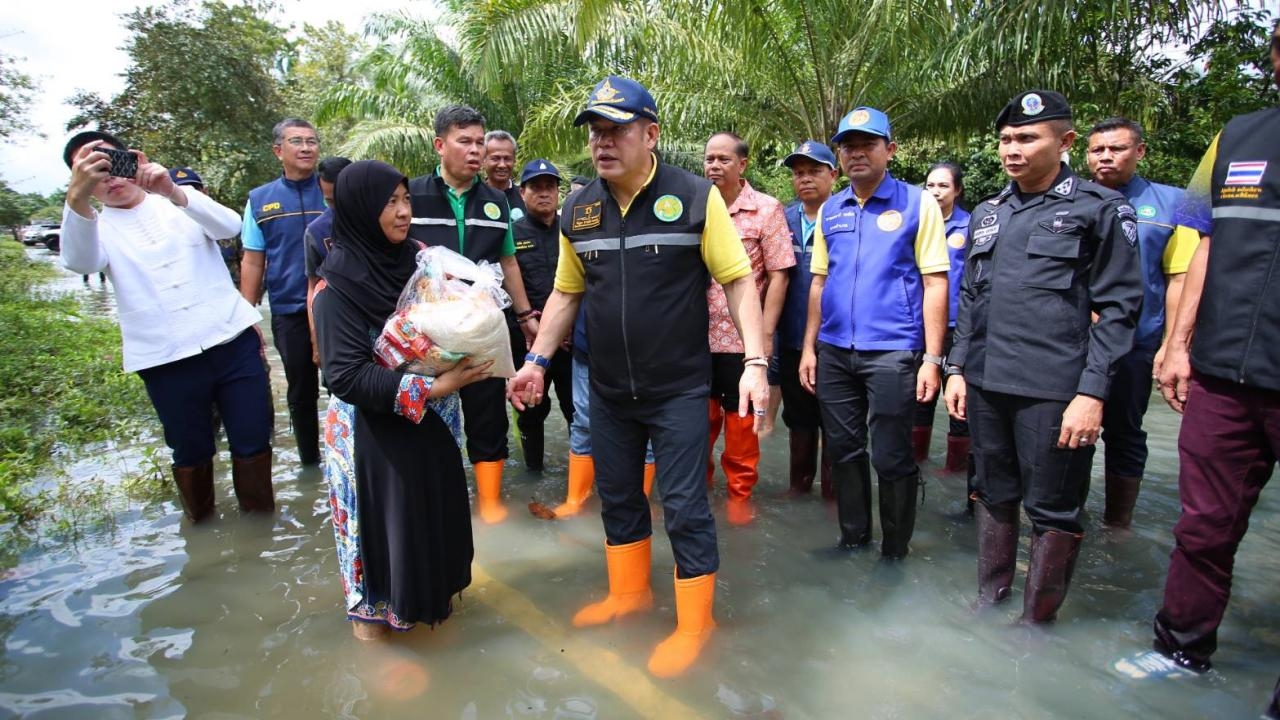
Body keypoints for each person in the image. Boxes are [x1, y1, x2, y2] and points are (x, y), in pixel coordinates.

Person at [508, 75, 767, 677]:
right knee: (619, 496)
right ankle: (628, 593)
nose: (603, 142)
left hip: (677, 387)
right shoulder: (579, 207)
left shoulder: (697, 197)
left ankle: (695, 623)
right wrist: (537, 362)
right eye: (596, 131)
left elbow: (737, 280)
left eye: (616, 129)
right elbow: (567, 294)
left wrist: (755, 362)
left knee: (682, 504)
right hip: (608, 388)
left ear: (650, 133)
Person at [944, 90, 1142, 622]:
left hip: (1056, 388)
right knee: (991, 492)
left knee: (1053, 508)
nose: (1012, 149)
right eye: (1006, 139)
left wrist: (1092, 393)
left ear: (1066, 142)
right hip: (986, 381)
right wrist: (957, 368)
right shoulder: (988, 213)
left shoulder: (1100, 209)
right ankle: (989, 602)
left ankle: (1036, 623)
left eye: (1027, 137)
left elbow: (1120, 309)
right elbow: (971, 298)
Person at [1147, 25, 1280, 706]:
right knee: (1203, 525)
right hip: (1225, 373)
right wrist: (1177, 343)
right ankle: (1180, 650)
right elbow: (1201, 240)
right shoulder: (1236, 136)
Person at [313, 159, 493, 639]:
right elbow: (345, 376)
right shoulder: (338, 287)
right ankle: (374, 639)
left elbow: (447, 321)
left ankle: (431, 613)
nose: (402, 212)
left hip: (434, 422)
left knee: (430, 522)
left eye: (406, 199)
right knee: (380, 539)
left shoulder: (421, 265)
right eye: (388, 203)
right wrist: (434, 387)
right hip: (373, 437)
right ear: (358, 209)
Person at [61, 130, 274, 522]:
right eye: (91, 171)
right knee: (190, 450)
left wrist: (172, 190)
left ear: (132, 160)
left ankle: (261, 528)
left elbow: (229, 226)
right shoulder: (91, 225)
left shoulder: (175, 201)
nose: (108, 177)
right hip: (166, 359)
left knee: (253, 439)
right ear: (81, 182)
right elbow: (80, 262)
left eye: (111, 163)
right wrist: (76, 200)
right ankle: (201, 527)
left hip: (231, 341)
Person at [798, 107, 949, 560]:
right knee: (843, 449)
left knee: (890, 454)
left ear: (890, 149)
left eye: (867, 144)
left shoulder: (917, 203)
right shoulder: (832, 208)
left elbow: (935, 282)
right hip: (835, 352)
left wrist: (932, 358)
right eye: (848, 145)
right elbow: (819, 281)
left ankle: (895, 550)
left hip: (894, 352)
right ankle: (853, 538)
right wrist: (809, 348)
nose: (856, 153)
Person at [408, 105, 539, 524]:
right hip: (427, 330)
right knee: (428, 411)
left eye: (480, 142)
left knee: (487, 412)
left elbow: (510, 263)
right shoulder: (411, 196)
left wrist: (525, 317)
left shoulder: (497, 201)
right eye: (465, 141)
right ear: (440, 144)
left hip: (484, 326)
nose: (475, 151)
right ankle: (436, 498)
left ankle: (489, 505)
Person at [1084, 118, 1199, 528]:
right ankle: (1063, 521)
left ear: (1140, 151)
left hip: (1135, 340)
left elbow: (1180, 277)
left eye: (1116, 149)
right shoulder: (1070, 199)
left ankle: (1118, 525)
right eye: (1097, 150)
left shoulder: (1174, 204)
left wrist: (1173, 344)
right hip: (1071, 343)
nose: (1106, 157)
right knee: (1063, 429)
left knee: (1125, 431)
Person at [702, 131, 793, 524]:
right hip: (695, 340)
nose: (714, 167)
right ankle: (697, 493)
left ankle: (739, 499)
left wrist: (766, 336)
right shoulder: (692, 205)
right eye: (709, 159)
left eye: (724, 159)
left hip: (743, 343)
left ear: (743, 164)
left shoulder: (767, 209)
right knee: (695, 427)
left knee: (741, 428)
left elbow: (779, 276)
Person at [241, 118, 327, 465]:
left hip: (338, 308)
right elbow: (252, 260)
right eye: (297, 141)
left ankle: (355, 459)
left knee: (350, 384)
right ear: (278, 151)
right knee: (301, 392)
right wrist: (246, 315)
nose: (306, 148)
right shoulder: (260, 200)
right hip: (289, 309)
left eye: (312, 141)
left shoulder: (334, 189)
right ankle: (310, 463)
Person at [771, 140, 838, 500]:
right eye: (799, 173)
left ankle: (832, 495)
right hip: (791, 337)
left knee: (836, 422)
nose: (806, 179)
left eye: (814, 171)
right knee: (799, 420)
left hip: (836, 342)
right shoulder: (782, 218)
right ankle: (798, 490)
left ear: (833, 174)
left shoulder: (846, 214)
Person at [913, 162, 976, 503]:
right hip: (921, 326)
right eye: (931, 185)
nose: (936, 192)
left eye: (943, 186)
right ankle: (918, 461)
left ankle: (955, 469)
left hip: (959, 327)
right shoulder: (917, 222)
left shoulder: (971, 226)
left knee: (959, 402)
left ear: (957, 191)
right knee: (919, 397)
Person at [511, 159, 573, 471]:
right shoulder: (511, 234)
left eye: (550, 186)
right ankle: (533, 472)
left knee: (577, 409)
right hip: (530, 343)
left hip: (572, 342)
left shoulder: (572, 230)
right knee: (531, 407)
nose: (544, 193)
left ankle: (583, 475)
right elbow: (505, 287)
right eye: (536, 187)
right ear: (522, 192)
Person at [306, 156, 353, 366]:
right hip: (339, 333)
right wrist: (317, 338)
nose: (340, 208)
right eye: (331, 201)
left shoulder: (386, 221)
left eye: (345, 198)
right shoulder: (316, 232)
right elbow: (313, 288)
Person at [169, 166, 241, 286]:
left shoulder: (222, 217)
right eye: (179, 191)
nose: (187, 195)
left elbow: (245, 258)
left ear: (205, 191)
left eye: (194, 190)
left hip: (231, 289)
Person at [483, 130, 525, 219]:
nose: (502, 165)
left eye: (507, 159)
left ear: (514, 161)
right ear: (483, 160)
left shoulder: (525, 198)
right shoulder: (472, 197)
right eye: (495, 158)